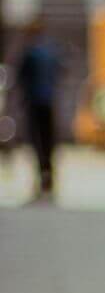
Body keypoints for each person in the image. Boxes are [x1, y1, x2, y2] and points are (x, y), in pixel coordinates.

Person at [14, 15, 65, 202]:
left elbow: (20, 77)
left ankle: (41, 180)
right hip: (49, 102)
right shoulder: (51, 50)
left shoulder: (29, 52)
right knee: (49, 143)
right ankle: (49, 180)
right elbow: (60, 71)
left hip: (34, 104)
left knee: (37, 144)